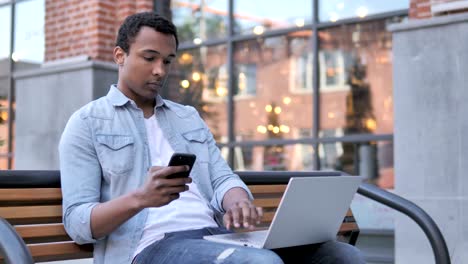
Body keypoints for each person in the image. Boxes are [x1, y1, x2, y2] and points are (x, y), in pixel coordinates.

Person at [59, 12, 365, 264]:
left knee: (342, 255)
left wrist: (238, 201)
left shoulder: (186, 117)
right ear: (119, 56)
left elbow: (221, 178)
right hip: (149, 247)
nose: (159, 70)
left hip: (214, 236)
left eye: (167, 61)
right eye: (149, 57)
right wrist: (141, 198)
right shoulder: (87, 123)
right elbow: (78, 224)